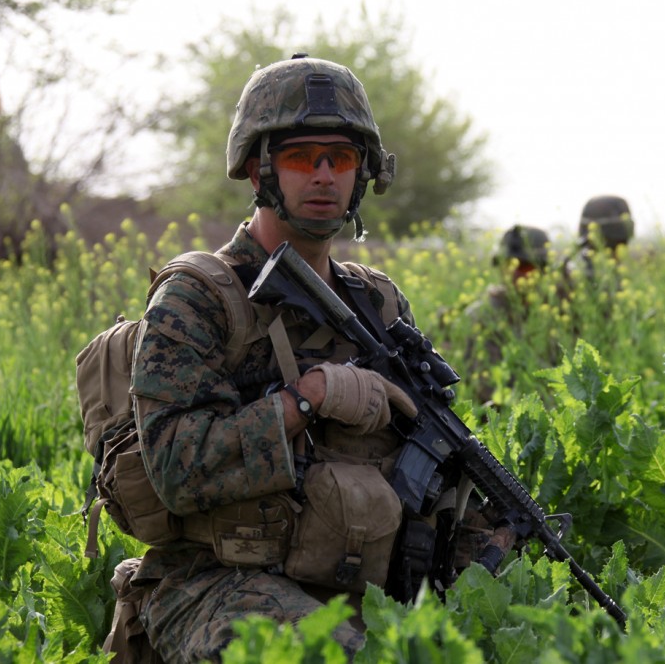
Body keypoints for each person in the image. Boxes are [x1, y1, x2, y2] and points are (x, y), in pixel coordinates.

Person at [119, 55, 492, 663]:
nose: (323, 176)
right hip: (215, 585)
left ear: (363, 173)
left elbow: (434, 462)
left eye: (340, 159)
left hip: (357, 591)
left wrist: (489, 547)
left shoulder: (379, 302)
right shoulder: (201, 297)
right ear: (256, 170)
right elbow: (176, 469)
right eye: (300, 158)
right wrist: (309, 398)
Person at [463, 224, 556, 406]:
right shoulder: (481, 315)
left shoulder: (551, 315)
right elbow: (483, 387)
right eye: (509, 265)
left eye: (525, 267)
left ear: (542, 270)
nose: (516, 274)